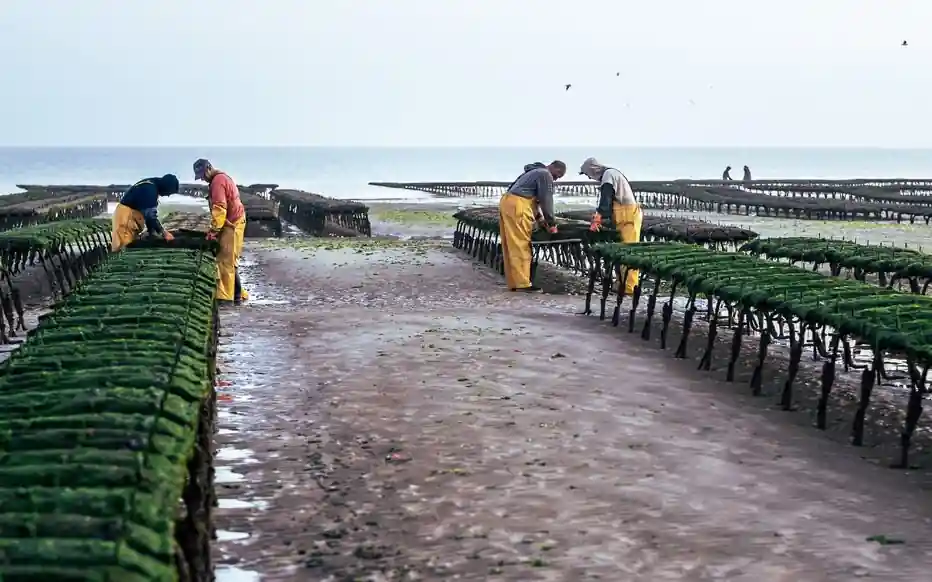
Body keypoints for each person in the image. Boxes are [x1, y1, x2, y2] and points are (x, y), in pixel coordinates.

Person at [499, 160, 565, 292]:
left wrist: (540, 219)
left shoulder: (533, 172)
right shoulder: (545, 174)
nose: (555, 180)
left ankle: (514, 282)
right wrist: (552, 224)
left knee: (510, 244)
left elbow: (533, 202)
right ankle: (523, 284)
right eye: (557, 176)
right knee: (522, 245)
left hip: (507, 202)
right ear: (554, 168)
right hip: (518, 206)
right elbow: (547, 201)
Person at [581, 157, 643, 295]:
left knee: (628, 252)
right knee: (621, 251)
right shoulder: (610, 174)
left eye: (587, 174)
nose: (590, 177)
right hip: (623, 215)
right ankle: (621, 283)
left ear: (593, 169)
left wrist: (598, 218)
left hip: (628, 216)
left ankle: (629, 287)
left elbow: (605, 199)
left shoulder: (608, 175)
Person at [193, 159, 249, 305]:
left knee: (225, 261)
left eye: (203, 175)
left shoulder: (218, 182)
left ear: (209, 168)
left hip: (232, 224)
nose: (203, 179)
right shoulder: (222, 178)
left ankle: (226, 298)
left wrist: (213, 231)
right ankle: (237, 295)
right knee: (231, 261)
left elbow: (219, 209)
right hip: (236, 221)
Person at [111, 174, 179, 251]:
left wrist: (151, 232)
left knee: (128, 244)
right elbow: (150, 215)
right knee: (122, 247)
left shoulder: (151, 186)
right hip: (126, 217)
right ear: (166, 187)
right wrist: (164, 233)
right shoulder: (149, 190)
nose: (168, 195)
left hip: (130, 217)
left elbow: (148, 214)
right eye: (169, 192)